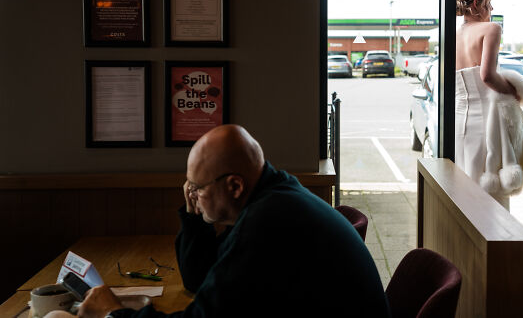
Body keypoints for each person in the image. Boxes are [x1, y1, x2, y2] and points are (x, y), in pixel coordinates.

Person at [76, 124, 390, 318]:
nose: (192, 195)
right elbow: (201, 279)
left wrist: (113, 312)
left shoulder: (268, 223)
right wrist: (193, 214)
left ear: (235, 186)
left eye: (197, 188)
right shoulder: (274, 195)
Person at [455, 0, 523, 209]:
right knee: (490, 199)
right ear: (477, 4)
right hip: (486, 124)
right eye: (489, 4)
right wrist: (518, 91)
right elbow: (487, 76)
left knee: (464, 190)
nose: (491, 10)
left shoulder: (453, 35)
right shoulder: (491, 29)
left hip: (460, 123)